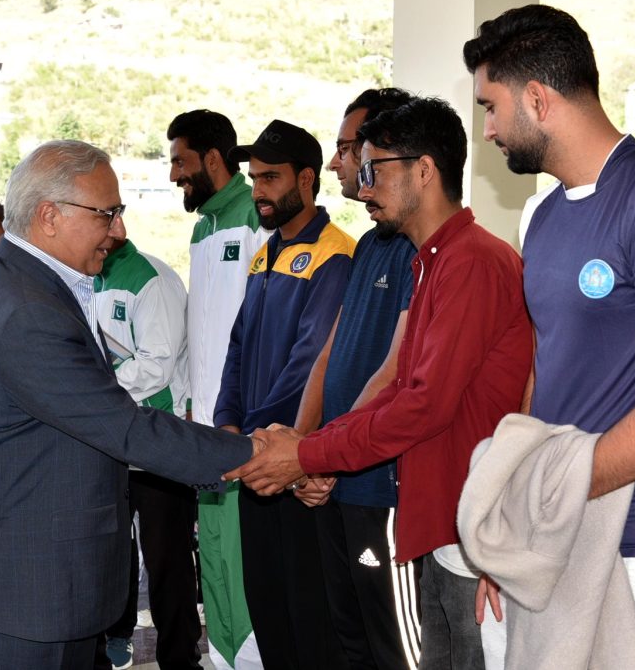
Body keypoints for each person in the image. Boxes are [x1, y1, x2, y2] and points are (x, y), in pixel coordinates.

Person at [462, 4, 635, 669]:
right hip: (560, 531)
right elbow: (544, 367)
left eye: (491, 107)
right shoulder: (540, 213)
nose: (488, 129)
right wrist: (518, 521)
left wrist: (551, 497)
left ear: (536, 98)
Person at [230, 98, 533, 670]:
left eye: (373, 169)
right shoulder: (431, 261)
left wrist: (309, 454)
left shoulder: (473, 260)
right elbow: (397, 389)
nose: (363, 186)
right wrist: (316, 450)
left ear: (424, 170)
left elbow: (423, 404)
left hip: (466, 522)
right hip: (436, 520)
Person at [0, 140, 259, 670]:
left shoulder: (25, 278)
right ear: (49, 216)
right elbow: (123, 427)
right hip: (25, 589)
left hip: (47, 578)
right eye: (107, 213)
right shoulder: (28, 308)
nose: (119, 230)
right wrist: (255, 454)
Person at [216, 119, 354, 670]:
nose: (258, 191)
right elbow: (238, 345)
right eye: (254, 179)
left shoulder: (336, 255)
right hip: (255, 458)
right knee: (269, 608)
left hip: (298, 465)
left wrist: (258, 438)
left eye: (270, 177)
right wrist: (228, 424)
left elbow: (310, 364)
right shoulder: (264, 255)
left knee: (308, 620)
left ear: (306, 179)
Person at [291, 87, 420, 670]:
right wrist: (305, 448)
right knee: (348, 641)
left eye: (351, 150)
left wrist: (322, 457)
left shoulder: (420, 252)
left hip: (377, 486)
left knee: (391, 646)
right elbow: (330, 353)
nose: (343, 165)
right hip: (336, 475)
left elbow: (395, 372)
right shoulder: (370, 244)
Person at [166, 109, 268, 669]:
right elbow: (200, 329)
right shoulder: (202, 227)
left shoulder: (255, 216)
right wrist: (188, 404)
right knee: (212, 555)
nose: (174, 175)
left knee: (242, 552)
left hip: (243, 427)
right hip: (204, 430)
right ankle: (223, 657)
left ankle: (250, 659)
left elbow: (263, 326)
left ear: (211, 158)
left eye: (180, 161)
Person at [94, 237, 200, 670]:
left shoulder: (151, 279)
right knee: (109, 552)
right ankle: (115, 637)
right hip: (111, 442)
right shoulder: (87, 276)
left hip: (159, 444)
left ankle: (180, 659)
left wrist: (93, 384)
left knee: (167, 561)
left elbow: (157, 366)